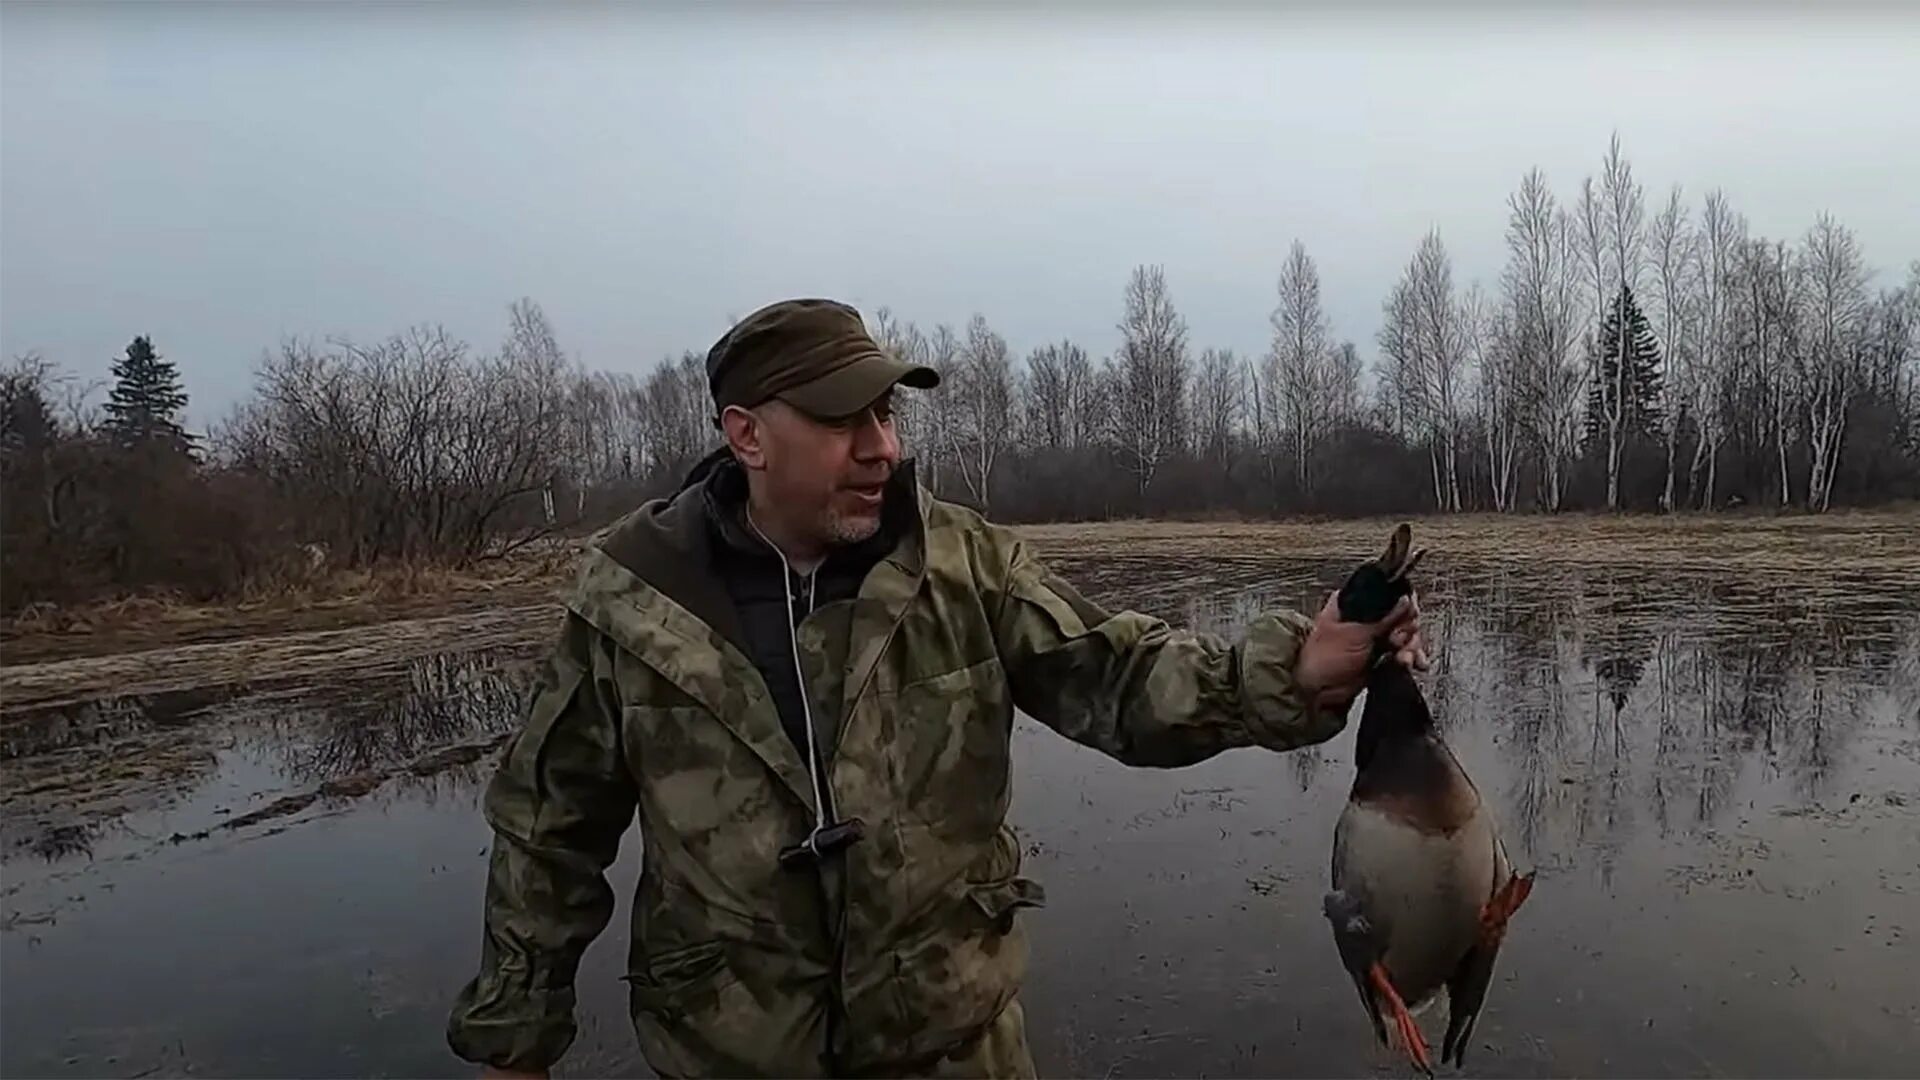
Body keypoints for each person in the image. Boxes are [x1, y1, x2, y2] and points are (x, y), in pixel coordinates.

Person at [445, 298, 1426, 1079]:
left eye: (887, 413)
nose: (883, 447)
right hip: (727, 1058)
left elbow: (1118, 675)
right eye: (843, 418)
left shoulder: (963, 563)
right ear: (746, 435)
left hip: (960, 1052)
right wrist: (517, 1045)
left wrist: (1296, 669)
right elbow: (548, 830)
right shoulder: (633, 602)